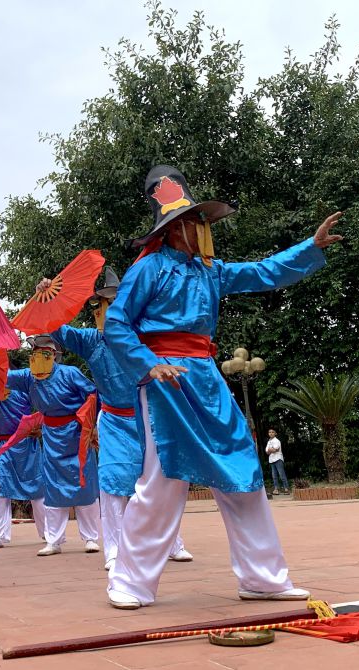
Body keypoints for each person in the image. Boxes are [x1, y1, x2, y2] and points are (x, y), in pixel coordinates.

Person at [104, 165, 343, 609]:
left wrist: (310, 248)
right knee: (163, 481)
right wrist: (149, 364)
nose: (205, 229)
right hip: (166, 381)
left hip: (207, 378)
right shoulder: (148, 269)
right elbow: (116, 323)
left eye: (205, 222)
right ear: (176, 227)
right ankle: (130, 583)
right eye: (198, 222)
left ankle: (263, 579)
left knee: (244, 474)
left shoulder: (210, 272)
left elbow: (263, 272)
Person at [45, 268, 193, 571]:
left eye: (113, 302)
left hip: (148, 418)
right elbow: (57, 330)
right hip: (112, 420)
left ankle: (170, 543)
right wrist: (50, 298)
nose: (106, 309)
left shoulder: (143, 335)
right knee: (112, 484)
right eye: (100, 304)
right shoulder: (91, 340)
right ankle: (113, 550)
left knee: (160, 482)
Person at [7, 335, 101, 556]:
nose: (39, 354)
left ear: (54, 355)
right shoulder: (28, 377)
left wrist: (90, 423)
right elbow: (3, 377)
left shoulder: (70, 373)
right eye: (36, 351)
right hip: (51, 437)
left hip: (77, 433)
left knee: (83, 484)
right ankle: (54, 540)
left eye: (44, 351)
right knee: (52, 487)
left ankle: (90, 537)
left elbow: (92, 393)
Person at [0, 387, 47, 550]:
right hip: (4, 446)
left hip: (27, 445)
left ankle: (48, 532)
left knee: (37, 489)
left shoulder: (24, 389)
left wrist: (41, 429)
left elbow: (46, 407)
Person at [266, 429, 289, 494]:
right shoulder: (269, 442)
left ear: (275, 433)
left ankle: (286, 489)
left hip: (278, 459)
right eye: (269, 432)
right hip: (271, 460)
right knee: (274, 476)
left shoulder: (277, 441)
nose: (271, 433)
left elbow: (275, 450)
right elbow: (267, 452)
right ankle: (276, 489)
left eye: (272, 432)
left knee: (281, 474)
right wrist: (271, 449)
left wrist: (271, 449)